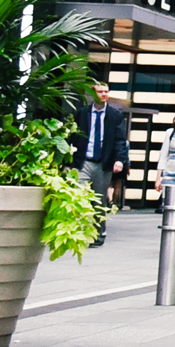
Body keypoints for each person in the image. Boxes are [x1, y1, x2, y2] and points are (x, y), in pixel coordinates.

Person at [69, 83, 129, 246]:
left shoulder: (114, 115)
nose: (103, 94)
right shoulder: (82, 113)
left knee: (99, 199)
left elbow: (119, 139)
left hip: (103, 163)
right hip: (84, 161)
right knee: (78, 196)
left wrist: (119, 159)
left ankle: (98, 233)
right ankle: (78, 232)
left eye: (106, 92)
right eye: (100, 91)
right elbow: (73, 136)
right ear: (92, 94)